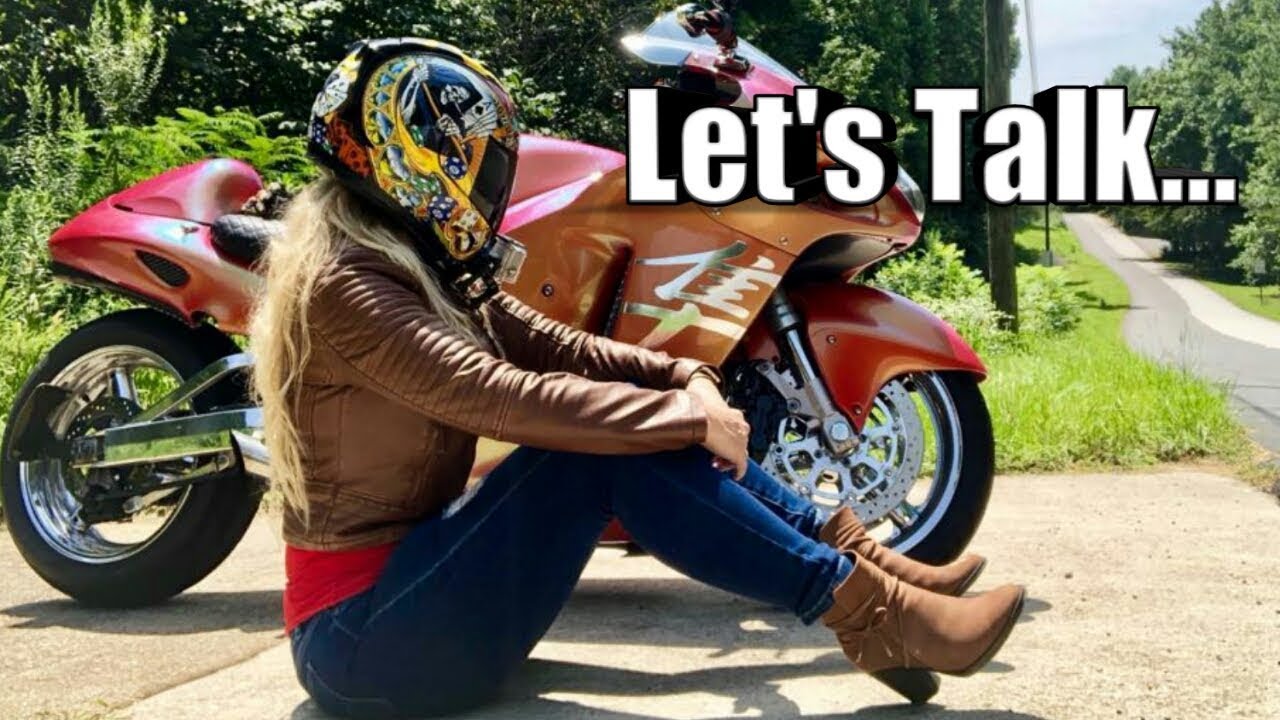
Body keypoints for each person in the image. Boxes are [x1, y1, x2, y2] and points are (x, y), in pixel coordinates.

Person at [250, 38, 1024, 720]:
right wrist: (689, 420)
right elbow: (498, 393)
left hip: (415, 595)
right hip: (361, 642)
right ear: (416, 157)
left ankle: (864, 567)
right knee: (592, 451)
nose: (489, 181)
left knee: (620, 423)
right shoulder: (346, 284)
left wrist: (683, 374)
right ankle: (872, 615)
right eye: (477, 159)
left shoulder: (410, 266)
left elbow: (556, 346)